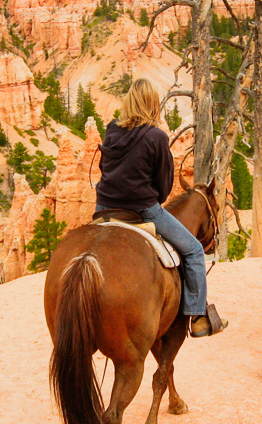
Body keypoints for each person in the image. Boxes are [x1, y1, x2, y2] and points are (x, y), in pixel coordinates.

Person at [95, 78, 227, 337]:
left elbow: (104, 168)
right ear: (153, 104)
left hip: (104, 209)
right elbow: (164, 188)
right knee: (193, 250)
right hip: (142, 210)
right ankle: (198, 318)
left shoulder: (112, 129)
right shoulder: (156, 136)